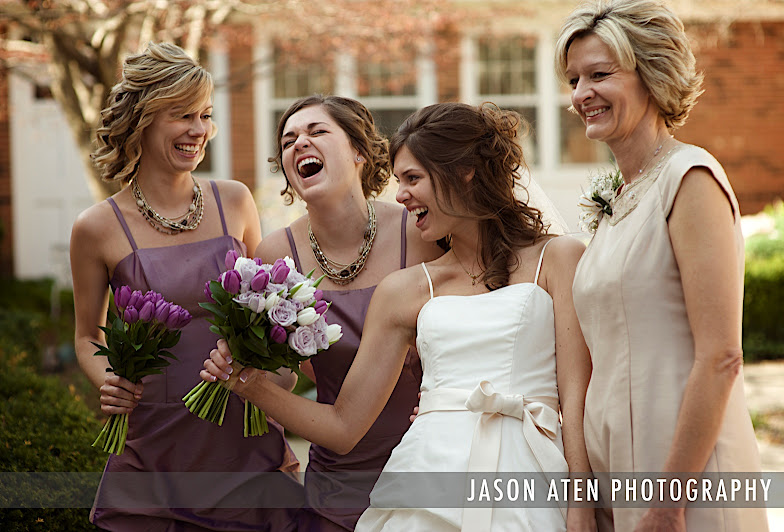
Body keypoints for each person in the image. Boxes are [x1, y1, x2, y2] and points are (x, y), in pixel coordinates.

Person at [202, 102, 597, 531]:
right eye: (398, 181)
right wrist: (248, 382)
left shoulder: (559, 258)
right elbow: (344, 425)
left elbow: (576, 399)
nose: (401, 195)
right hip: (430, 475)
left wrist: (582, 504)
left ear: (464, 172)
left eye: (413, 179)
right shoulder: (404, 290)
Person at [556, 1, 769, 531]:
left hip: (685, 477)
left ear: (650, 76)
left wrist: (669, 506)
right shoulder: (616, 200)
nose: (581, 94)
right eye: (574, 79)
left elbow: (721, 355)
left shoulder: (689, 179)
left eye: (599, 75)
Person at [70, 41, 300, 531]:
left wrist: (275, 372)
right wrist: (108, 381)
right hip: (154, 440)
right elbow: (87, 335)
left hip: (242, 433)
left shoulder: (235, 200)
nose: (199, 130)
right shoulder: (96, 228)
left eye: (206, 115)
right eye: (182, 115)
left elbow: (265, 309)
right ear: (143, 121)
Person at [256, 94, 443, 531]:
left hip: (427, 462)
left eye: (317, 131)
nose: (299, 143)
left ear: (359, 151)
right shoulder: (276, 255)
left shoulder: (420, 232)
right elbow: (282, 375)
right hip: (336, 481)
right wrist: (244, 364)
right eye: (288, 141)